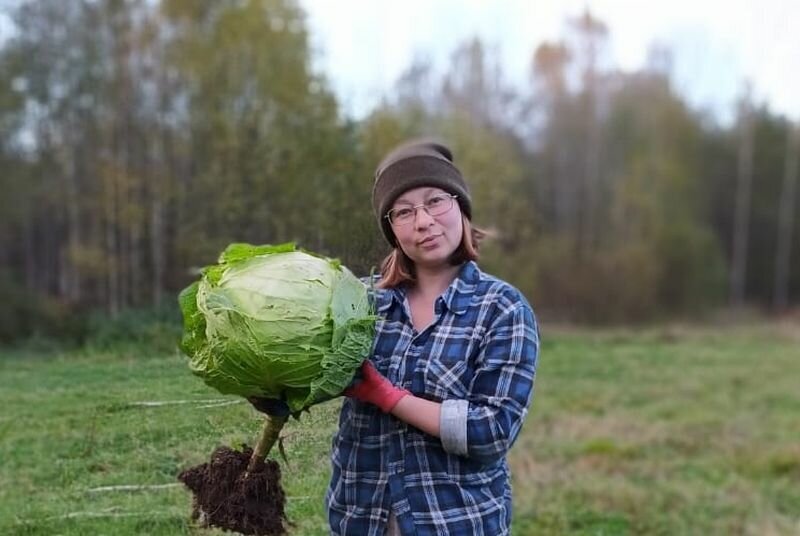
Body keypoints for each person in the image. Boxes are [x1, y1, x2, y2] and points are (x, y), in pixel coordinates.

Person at [325, 139, 539, 535]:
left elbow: (492, 431)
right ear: (391, 229)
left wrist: (389, 397)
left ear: (460, 205)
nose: (423, 221)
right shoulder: (358, 304)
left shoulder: (502, 308)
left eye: (435, 201)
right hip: (360, 519)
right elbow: (311, 377)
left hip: (456, 522)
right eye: (403, 212)